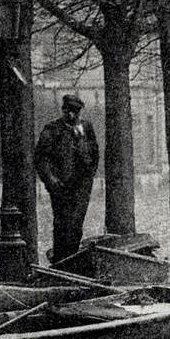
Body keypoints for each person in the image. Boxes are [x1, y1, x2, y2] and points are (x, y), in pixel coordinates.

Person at [35, 95, 100, 263]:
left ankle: (72, 259)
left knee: (77, 224)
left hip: (81, 187)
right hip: (61, 187)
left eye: (76, 112)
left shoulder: (86, 129)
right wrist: (52, 182)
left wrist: (88, 178)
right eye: (69, 111)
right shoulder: (52, 130)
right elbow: (41, 159)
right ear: (63, 110)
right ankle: (61, 260)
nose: (72, 116)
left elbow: (94, 155)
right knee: (62, 224)